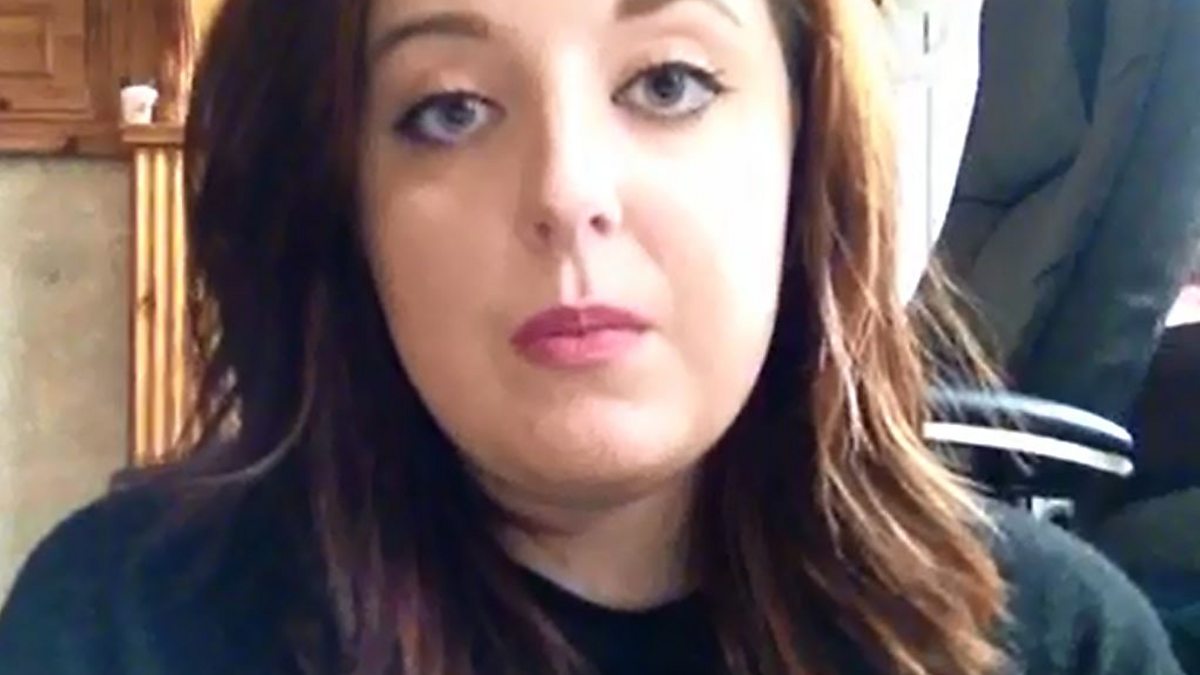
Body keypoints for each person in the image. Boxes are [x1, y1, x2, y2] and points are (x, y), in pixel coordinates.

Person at [0, 0, 1184, 673]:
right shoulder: (125, 628)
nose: (567, 191)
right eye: (450, 109)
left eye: (667, 84)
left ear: (806, 148)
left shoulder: (1056, 646)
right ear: (341, 202)